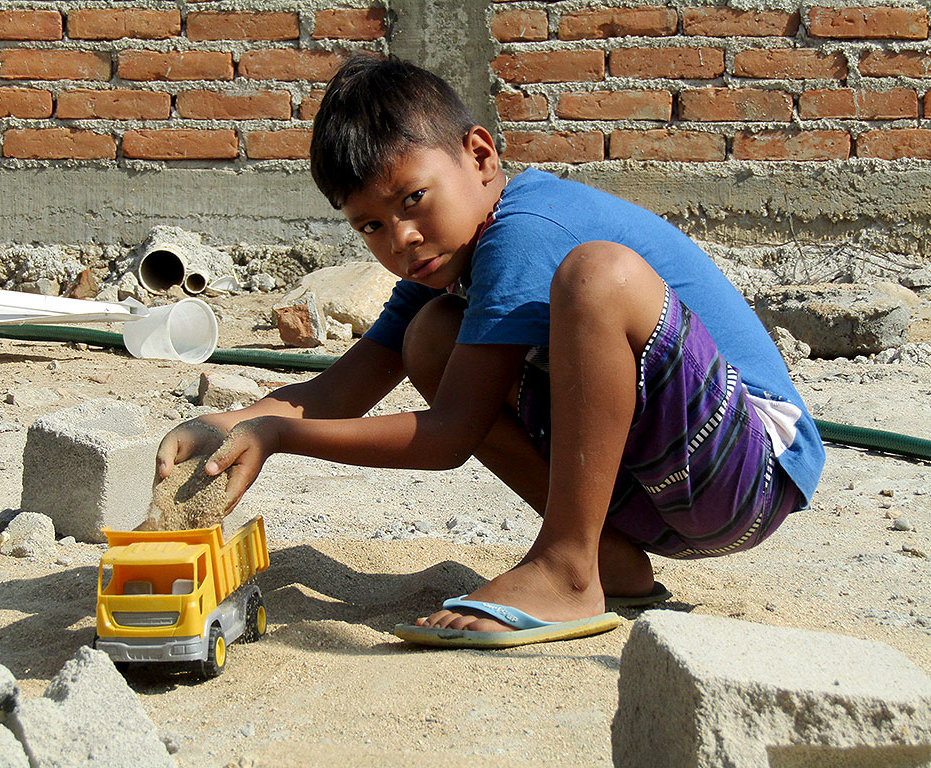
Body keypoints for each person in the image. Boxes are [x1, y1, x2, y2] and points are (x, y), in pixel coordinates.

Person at [155, 54, 825, 649]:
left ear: (480, 156)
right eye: (372, 226)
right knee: (433, 337)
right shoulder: (448, 264)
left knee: (598, 277)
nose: (403, 239)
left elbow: (447, 437)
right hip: (658, 497)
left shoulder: (524, 230)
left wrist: (277, 437)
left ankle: (566, 567)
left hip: (748, 472)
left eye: (413, 199)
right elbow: (337, 391)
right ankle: (605, 558)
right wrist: (228, 426)